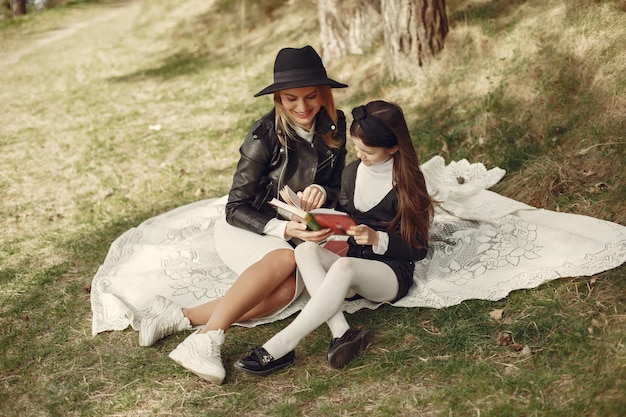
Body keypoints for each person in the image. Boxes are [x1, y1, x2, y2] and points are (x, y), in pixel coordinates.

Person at [138, 45, 348, 384]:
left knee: (282, 296)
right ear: (278, 99)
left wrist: (324, 191)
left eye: (311, 96)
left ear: (323, 93)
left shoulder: (336, 125)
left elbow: (339, 188)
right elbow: (235, 207)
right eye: (291, 99)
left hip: (294, 229)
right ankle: (207, 339)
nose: (303, 107)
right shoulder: (263, 135)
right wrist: (285, 231)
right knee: (285, 260)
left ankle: (180, 316)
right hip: (248, 226)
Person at [233, 100, 434, 375]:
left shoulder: (409, 184)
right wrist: (320, 220)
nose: (361, 156)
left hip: (390, 272)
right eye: (357, 148)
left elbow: (419, 248)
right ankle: (343, 332)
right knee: (305, 251)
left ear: (394, 148)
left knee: (343, 266)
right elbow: (344, 214)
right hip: (351, 266)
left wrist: (378, 239)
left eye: (370, 152)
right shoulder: (352, 173)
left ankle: (281, 345)